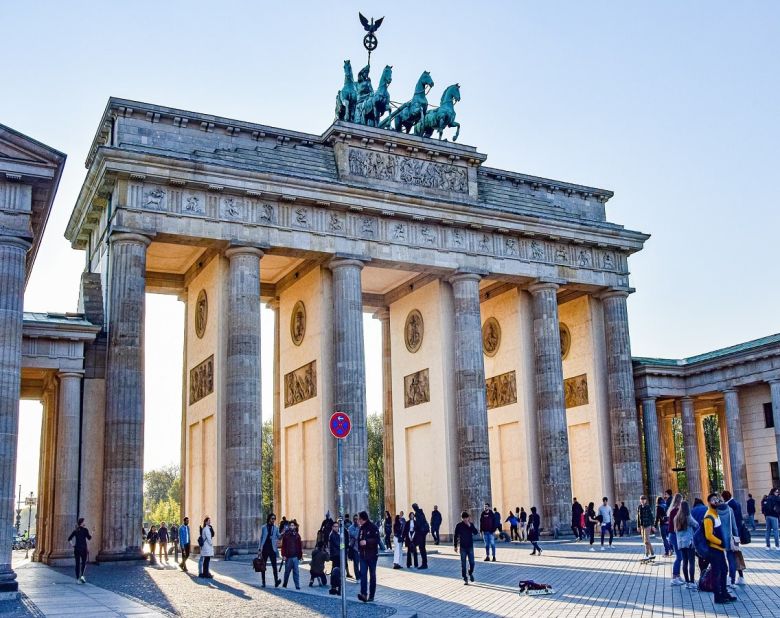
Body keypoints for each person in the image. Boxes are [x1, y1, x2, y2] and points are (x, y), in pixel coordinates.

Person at [703, 492, 736, 604]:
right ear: (709, 502)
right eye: (713, 500)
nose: (716, 501)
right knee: (716, 573)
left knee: (724, 570)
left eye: (717, 499)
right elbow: (708, 535)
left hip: (719, 549)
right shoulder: (709, 516)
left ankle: (724, 592)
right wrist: (720, 542)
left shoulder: (715, 514)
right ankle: (717, 596)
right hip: (714, 549)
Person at [717, 492, 743, 590]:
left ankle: (722, 581)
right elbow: (734, 526)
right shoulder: (729, 509)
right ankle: (731, 581)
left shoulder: (714, 511)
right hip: (730, 539)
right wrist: (737, 537)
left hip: (718, 539)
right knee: (731, 560)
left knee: (720, 561)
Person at [674, 501, 699, 589]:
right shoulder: (688, 516)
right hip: (689, 542)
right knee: (691, 561)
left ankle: (687, 582)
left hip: (680, 543)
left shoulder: (676, 518)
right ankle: (692, 582)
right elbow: (696, 524)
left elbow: (675, 530)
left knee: (684, 562)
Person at [357, 511, 380, 603]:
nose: (358, 520)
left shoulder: (373, 527)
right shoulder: (361, 528)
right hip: (363, 555)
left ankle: (371, 595)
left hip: (372, 555)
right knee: (363, 575)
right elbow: (359, 539)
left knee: (372, 575)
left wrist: (367, 542)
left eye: (359, 519)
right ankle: (364, 594)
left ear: (363, 519)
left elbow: (377, 540)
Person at [454, 510, 479, 584]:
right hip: (462, 547)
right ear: (461, 518)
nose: (465, 519)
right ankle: (465, 578)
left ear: (468, 518)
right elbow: (455, 536)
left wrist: (469, 526)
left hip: (470, 547)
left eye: (466, 518)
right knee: (463, 564)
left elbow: (475, 532)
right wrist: (455, 546)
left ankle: (470, 572)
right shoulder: (459, 525)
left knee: (472, 563)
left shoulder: (470, 524)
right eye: (463, 518)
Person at [257, 513, 282, 588]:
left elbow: (279, 537)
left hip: (272, 549)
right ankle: (263, 582)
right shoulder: (264, 527)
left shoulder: (276, 528)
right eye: (272, 518)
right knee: (263, 566)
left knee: (274, 566)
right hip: (264, 548)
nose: (273, 520)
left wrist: (283, 533)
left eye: (274, 519)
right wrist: (259, 549)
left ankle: (276, 581)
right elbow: (261, 538)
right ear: (269, 519)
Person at [666, 493, 683, 585]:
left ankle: (678, 576)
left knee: (679, 557)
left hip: (672, 535)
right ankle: (674, 577)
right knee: (679, 557)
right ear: (679, 501)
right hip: (675, 535)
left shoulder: (672, 510)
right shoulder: (676, 510)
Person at [67, 518, 91, 583]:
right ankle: (82, 577)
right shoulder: (85, 530)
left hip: (77, 549)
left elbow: (69, 539)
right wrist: (93, 532)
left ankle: (77, 579)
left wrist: (72, 545)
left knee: (77, 564)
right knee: (83, 563)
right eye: (84, 522)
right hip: (83, 549)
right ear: (82, 523)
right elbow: (89, 538)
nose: (85, 523)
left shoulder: (76, 530)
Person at [281, 520, 302, 589]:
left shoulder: (297, 535)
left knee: (296, 572)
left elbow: (299, 546)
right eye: (290, 525)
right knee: (287, 572)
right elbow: (283, 546)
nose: (291, 527)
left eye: (293, 525)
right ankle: (284, 584)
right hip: (288, 557)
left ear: (295, 526)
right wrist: (283, 555)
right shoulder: (286, 535)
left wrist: (300, 556)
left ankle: (297, 586)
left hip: (295, 557)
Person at [637, 495, 655, 561]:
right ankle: (652, 554)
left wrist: (652, 526)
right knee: (645, 540)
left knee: (646, 540)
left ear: (645, 500)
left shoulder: (648, 507)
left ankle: (647, 555)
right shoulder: (639, 507)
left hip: (648, 525)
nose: (642, 500)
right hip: (642, 526)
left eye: (643, 499)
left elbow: (651, 517)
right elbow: (638, 517)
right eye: (641, 499)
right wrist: (638, 526)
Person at [411, 503, 429, 569]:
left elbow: (419, 524)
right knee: (422, 548)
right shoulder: (420, 512)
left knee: (422, 548)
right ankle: (424, 563)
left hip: (421, 533)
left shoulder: (418, 514)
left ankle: (424, 564)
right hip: (423, 532)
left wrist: (415, 527)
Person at [328, 520, 343, 595]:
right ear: (332, 527)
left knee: (335, 571)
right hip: (335, 555)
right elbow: (338, 544)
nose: (336, 528)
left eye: (337, 526)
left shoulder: (336, 534)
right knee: (336, 571)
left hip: (337, 555)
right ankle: (335, 586)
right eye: (335, 526)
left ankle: (334, 586)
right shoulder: (333, 535)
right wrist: (343, 546)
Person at [348, 514, 361, 579]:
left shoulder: (361, 527)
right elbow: (355, 536)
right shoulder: (350, 528)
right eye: (355, 519)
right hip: (354, 548)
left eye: (357, 519)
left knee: (363, 563)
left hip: (361, 548)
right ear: (353, 520)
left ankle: (360, 575)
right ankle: (358, 577)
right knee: (356, 563)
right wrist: (358, 528)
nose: (356, 520)